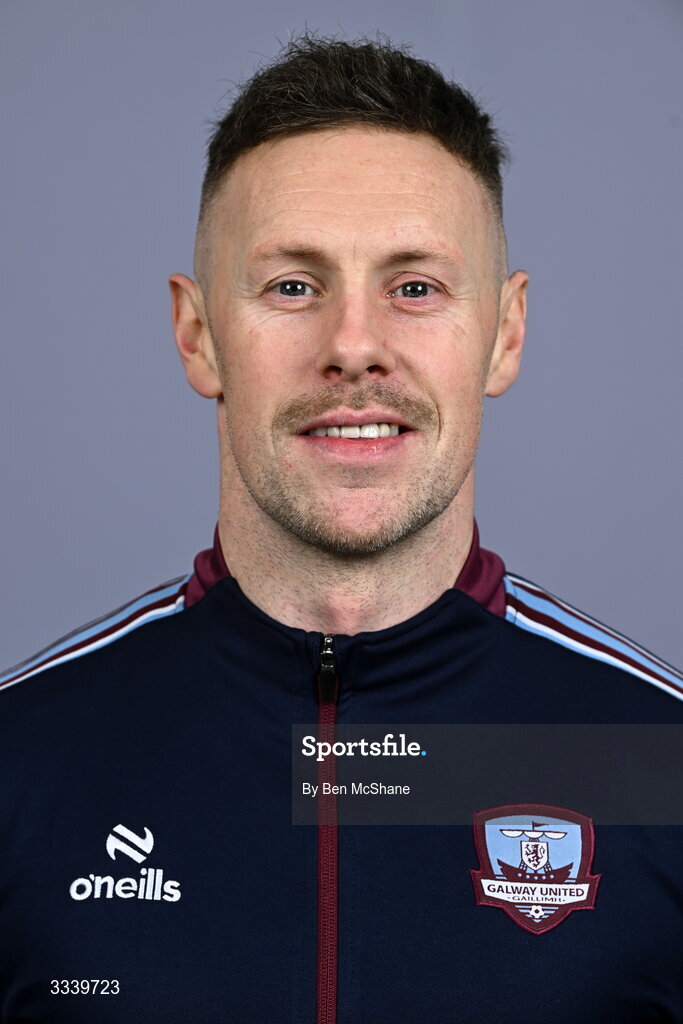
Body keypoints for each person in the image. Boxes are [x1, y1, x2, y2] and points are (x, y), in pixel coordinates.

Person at [1, 32, 682, 1024]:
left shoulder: (652, 762)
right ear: (198, 336)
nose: (353, 345)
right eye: (291, 285)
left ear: (503, 331)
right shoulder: (24, 762)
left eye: (414, 286)